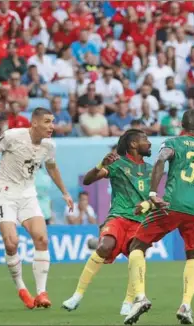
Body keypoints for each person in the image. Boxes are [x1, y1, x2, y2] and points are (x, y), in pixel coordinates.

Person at [124, 109, 194, 325]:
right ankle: (185, 305)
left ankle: (140, 297)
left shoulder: (173, 142)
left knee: (137, 246)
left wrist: (153, 194)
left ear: (181, 126)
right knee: (193, 256)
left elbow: (161, 161)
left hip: (170, 205)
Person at [0, 107, 73, 310]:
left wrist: (65, 192)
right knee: (12, 243)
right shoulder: (13, 136)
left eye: (53, 121)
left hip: (28, 195)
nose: (52, 126)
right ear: (35, 123)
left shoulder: (49, 146)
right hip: (4, 194)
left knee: (42, 238)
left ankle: (41, 292)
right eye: (47, 122)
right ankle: (21, 288)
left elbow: (52, 167)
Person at [62, 129, 153, 317]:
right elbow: (88, 181)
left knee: (136, 256)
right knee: (104, 246)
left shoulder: (151, 169)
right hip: (118, 217)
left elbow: (156, 199)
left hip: (140, 221)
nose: (149, 142)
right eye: (145, 139)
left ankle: (129, 301)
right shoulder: (117, 165)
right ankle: (77, 296)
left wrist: (148, 205)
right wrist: (99, 165)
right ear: (133, 144)